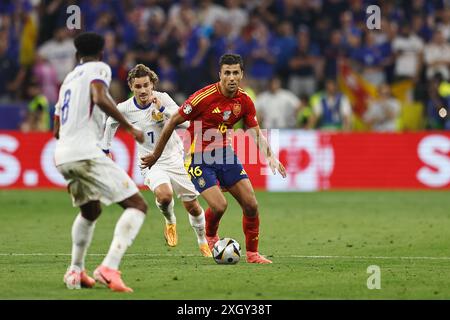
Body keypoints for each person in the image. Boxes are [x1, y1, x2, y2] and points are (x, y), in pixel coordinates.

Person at [141, 53, 287, 264]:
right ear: (220, 74)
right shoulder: (203, 97)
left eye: (235, 73)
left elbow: (254, 131)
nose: (231, 77)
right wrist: (156, 154)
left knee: (251, 205)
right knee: (219, 206)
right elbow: (173, 121)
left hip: (225, 155)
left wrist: (270, 156)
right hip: (198, 158)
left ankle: (253, 254)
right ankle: (210, 236)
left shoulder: (244, 100)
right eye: (227, 73)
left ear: (241, 74)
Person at [53, 32, 148, 293]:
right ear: (102, 53)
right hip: (85, 152)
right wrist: (129, 127)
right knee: (137, 205)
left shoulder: (68, 81)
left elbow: (56, 128)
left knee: (90, 211)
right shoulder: (99, 68)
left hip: (62, 154)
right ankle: (109, 267)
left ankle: (75, 270)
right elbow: (98, 94)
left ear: (76, 55)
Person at [100, 63, 212, 257]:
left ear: (152, 84)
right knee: (164, 195)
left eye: (146, 85)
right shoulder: (125, 108)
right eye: (138, 86)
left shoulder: (164, 99)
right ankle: (170, 221)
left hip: (175, 157)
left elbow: (185, 122)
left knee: (193, 206)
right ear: (131, 87)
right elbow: (110, 122)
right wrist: (105, 148)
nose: (143, 90)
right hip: (150, 161)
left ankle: (203, 242)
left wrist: (164, 110)